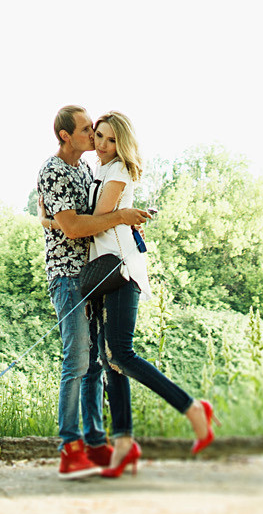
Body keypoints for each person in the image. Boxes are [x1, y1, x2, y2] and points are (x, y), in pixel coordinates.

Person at [83, 111, 214, 476]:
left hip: (121, 270)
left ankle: (192, 409)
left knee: (121, 354)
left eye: (111, 139)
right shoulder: (99, 171)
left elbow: (98, 216)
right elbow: (101, 219)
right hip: (104, 272)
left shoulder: (119, 170)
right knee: (109, 358)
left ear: (121, 143)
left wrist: (102, 215)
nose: (104, 144)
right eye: (100, 136)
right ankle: (123, 442)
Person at [37, 104, 151, 479]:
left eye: (96, 130)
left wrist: (126, 225)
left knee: (95, 362)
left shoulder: (86, 169)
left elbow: (95, 216)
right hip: (67, 277)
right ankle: (70, 446)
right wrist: (119, 217)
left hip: (92, 274)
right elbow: (73, 227)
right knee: (77, 361)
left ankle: (95, 443)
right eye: (87, 129)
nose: (93, 135)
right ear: (65, 136)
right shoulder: (53, 170)